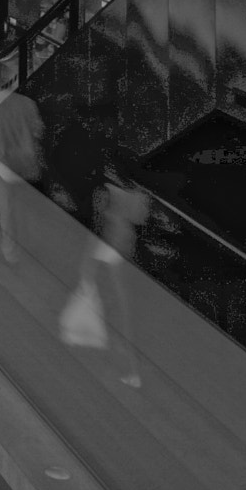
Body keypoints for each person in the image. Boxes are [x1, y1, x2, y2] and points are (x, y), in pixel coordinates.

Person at [0, 65, 43, 265]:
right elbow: (38, 132)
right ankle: (32, 247)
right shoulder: (29, 103)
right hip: (28, 167)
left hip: (4, 168)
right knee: (27, 208)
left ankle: (10, 253)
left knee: (8, 212)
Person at [88, 166, 151, 388]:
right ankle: (123, 348)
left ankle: (132, 369)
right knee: (119, 301)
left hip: (112, 250)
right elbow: (141, 219)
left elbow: (98, 223)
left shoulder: (107, 191)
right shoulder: (139, 196)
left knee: (118, 303)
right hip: (126, 249)